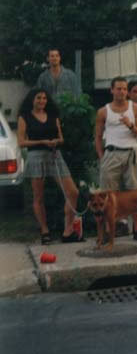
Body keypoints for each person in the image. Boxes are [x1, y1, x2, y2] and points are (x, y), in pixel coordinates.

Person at [17, 88, 80, 245]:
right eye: (38, 98)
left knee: (72, 192)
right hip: (35, 156)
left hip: (55, 155)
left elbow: (61, 138)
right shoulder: (24, 117)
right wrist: (42, 142)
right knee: (39, 196)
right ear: (32, 99)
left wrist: (56, 142)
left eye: (44, 98)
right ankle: (45, 231)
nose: (42, 101)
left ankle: (68, 231)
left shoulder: (53, 116)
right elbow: (21, 142)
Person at [94, 76, 137, 243]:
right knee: (107, 195)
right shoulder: (103, 111)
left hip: (131, 153)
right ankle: (107, 231)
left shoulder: (135, 108)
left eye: (125, 89)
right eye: (118, 89)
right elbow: (97, 136)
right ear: (112, 90)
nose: (122, 92)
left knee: (135, 193)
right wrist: (102, 157)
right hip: (112, 153)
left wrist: (130, 125)